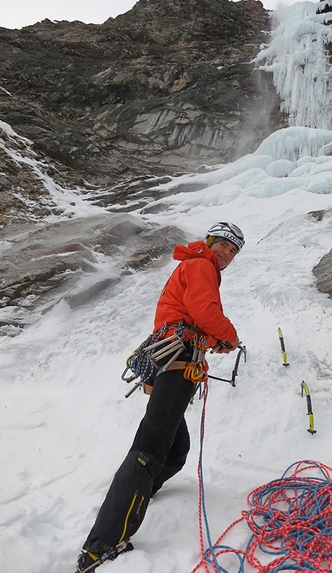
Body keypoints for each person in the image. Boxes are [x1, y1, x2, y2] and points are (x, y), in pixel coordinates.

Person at [76, 221, 245, 572]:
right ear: (208, 243)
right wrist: (231, 337)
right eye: (223, 245)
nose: (226, 253)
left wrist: (215, 340)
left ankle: (139, 492)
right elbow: (204, 312)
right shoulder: (201, 264)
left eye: (232, 250)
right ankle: (103, 544)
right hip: (179, 356)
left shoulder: (196, 264)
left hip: (174, 354)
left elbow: (194, 316)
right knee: (151, 446)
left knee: (175, 449)